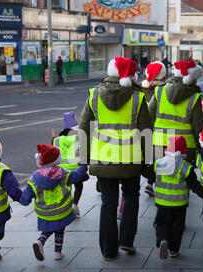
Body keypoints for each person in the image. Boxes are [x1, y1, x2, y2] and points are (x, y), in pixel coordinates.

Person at [78, 56, 152, 260]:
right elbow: (146, 131)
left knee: (108, 204)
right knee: (131, 197)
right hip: (131, 159)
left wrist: (82, 160)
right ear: (130, 76)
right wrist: (149, 162)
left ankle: (108, 251)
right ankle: (127, 242)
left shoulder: (93, 95)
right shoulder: (138, 97)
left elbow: (83, 128)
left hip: (103, 159)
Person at [19, 144, 88, 261]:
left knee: (50, 226)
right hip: (62, 210)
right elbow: (77, 175)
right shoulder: (64, 173)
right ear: (58, 159)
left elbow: (25, 198)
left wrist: (17, 196)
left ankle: (42, 241)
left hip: (44, 212)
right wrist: (84, 164)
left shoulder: (34, 179)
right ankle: (56, 251)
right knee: (60, 227)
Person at [153, 136, 203, 259]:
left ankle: (162, 240)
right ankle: (173, 249)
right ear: (184, 151)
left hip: (162, 202)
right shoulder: (186, 167)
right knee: (177, 226)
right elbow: (194, 185)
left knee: (161, 223)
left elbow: (152, 177)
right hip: (179, 204)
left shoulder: (158, 163)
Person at [148, 59, 203, 164]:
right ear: (189, 78)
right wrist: (202, 145)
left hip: (160, 143)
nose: (196, 81)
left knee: (161, 176)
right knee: (185, 176)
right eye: (195, 78)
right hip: (186, 146)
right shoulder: (194, 97)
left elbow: (149, 117)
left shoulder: (159, 91)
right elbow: (198, 126)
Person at [51, 112, 89, 217]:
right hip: (76, 169)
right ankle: (75, 204)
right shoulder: (78, 138)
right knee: (79, 186)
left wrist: (53, 137)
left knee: (67, 187)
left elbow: (53, 153)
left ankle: (66, 205)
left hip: (62, 170)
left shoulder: (57, 140)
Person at [139, 62, 167, 197]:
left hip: (144, 127)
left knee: (150, 158)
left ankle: (150, 184)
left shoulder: (142, 88)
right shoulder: (163, 90)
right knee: (159, 159)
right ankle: (155, 185)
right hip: (159, 128)